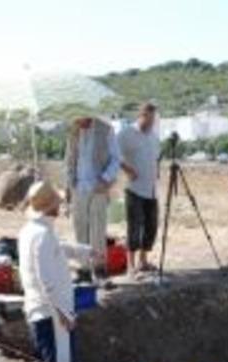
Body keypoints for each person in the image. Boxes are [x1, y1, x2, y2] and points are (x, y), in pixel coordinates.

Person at [18, 181, 93, 362]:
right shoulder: (42, 235)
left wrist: (87, 252)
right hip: (50, 313)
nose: (60, 206)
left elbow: (59, 248)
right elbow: (46, 280)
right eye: (57, 203)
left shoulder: (32, 231)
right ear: (50, 206)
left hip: (44, 311)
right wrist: (63, 314)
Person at [65, 116, 120, 278]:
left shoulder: (106, 130)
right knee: (80, 228)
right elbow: (68, 160)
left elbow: (116, 159)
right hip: (78, 188)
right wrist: (69, 185)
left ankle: (100, 267)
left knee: (98, 229)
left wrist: (106, 178)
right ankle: (84, 269)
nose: (79, 121)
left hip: (99, 187)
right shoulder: (73, 131)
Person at [117, 103, 161, 275]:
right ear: (141, 115)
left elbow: (156, 157)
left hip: (151, 189)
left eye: (153, 119)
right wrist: (127, 169)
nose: (150, 123)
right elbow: (115, 153)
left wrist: (156, 171)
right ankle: (131, 265)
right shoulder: (126, 134)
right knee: (134, 227)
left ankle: (144, 261)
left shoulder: (154, 136)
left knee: (151, 226)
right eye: (148, 118)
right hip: (134, 188)